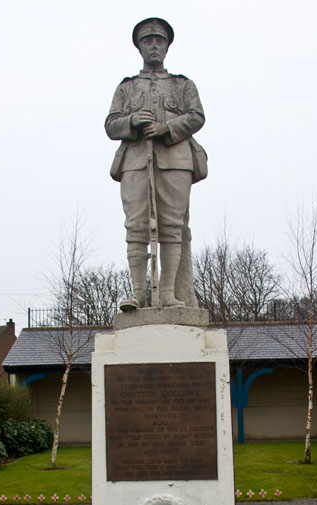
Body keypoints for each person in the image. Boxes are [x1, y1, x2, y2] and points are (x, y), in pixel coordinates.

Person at [105, 17, 207, 310]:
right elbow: (111, 125)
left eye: (159, 40)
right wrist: (132, 121)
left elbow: (197, 116)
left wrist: (167, 128)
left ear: (167, 46)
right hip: (135, 163)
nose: (153, 46)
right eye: (147, 40)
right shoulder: (127, 88)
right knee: (136, 227)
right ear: (139, 47)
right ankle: (138, 294)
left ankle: (167, 294)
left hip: (176, 161)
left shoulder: (182, 85)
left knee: (172, 228)